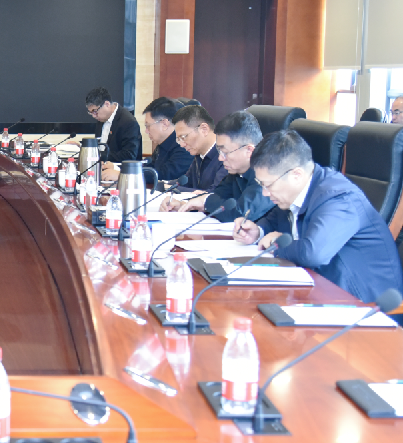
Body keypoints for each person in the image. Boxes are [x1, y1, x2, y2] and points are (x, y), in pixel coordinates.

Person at [232, 130, 403, 303]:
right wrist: (258, 231)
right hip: (321, 290)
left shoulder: (338, 198)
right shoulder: (296, 193)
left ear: (296, 175)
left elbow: (314, 253)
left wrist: (276, 244)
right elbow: (276, 218)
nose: (265, 193)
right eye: (261, 184)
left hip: (364, 305)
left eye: (268, 185)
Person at [162, 110, 275, 222]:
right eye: (219, 151)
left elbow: (240, 213)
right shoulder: (236, 173)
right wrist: (186, 205)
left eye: (225, 152)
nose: (220, 158)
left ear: (249, 150)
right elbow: (216, 197)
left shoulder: (269, 174)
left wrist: (205, 201)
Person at [102, 97, 191, 183]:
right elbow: (149, 168)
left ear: (164, 124)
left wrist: (121, 175)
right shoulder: (163, 144)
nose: (146, 131)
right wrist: (117, 168)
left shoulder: (184, 146)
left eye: (148, 126)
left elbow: (164, 174)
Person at [165, 105, 226, 194]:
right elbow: (186, 182)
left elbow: (213, 195)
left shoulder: (226, 155)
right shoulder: (198, 154)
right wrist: (164, 184)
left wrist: (170, 188)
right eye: (179, 139)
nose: (182, 144)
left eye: (184, 137)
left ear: (204, 129)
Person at [85, 87, 142, 171]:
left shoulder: (128, 122)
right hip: (101, 169)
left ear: (107, 104)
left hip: (121, 172)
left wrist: (99, 155)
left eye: (95, 111)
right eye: (91, 112)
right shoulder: (101, 118)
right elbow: (100, 145)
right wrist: (84, 148)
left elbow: (129, 155)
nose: (94, 115)